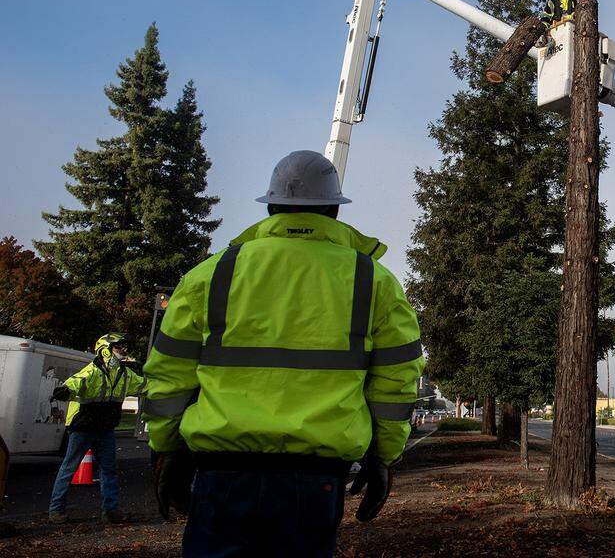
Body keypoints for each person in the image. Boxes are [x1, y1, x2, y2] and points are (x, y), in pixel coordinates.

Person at [142, 150, 424, 557]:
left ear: (272, 207)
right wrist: (383, 456)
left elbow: (168, 375)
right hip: (315, 478)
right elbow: (395, 383)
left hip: (223, 472)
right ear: (334, 211)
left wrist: (166, 448)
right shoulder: (373, 280)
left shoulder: (211, 274)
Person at [48, 332, 145, 523]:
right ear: (105, 351)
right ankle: (56, 510)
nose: (123, 351)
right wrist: (66, 390)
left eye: (123, 347)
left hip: (105, 429)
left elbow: (145, 386)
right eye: (118, 347)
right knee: (69, 467)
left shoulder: (125, 374)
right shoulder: (91, 371)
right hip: (82, 428)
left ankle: (110, 512)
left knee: (109, 470)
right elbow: (76, 382)